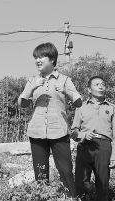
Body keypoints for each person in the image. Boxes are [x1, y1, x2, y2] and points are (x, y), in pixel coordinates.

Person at [18, 42, 82, 197]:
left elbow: (79, 102)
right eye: (36, 57)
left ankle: (72, 197)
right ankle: (42, 197)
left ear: (52, 59)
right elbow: (22, 104)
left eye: (41, 57)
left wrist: (66, 91)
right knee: (40, 171)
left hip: (59, 130)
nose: (37, 60)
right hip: (37, 131)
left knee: (65, 169)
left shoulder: (65, 80)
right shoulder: (32, 80)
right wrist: (32, 88)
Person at [71, 76, 115, 201]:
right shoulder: (81, 107)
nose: (100, 86)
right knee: (81, 182)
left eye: (103, 84)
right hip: (85, 146)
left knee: (103, 183)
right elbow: (73, 132)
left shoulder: (112, 108)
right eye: (97, 84)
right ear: (89, 89)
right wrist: (83, 135)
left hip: (104, 146)